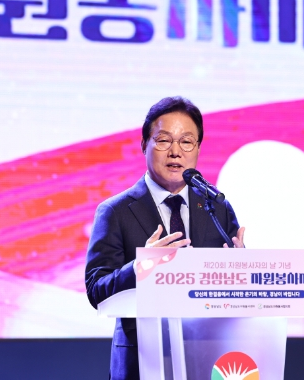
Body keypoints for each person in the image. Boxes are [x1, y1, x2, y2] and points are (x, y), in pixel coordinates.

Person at [85, 96, 245, 380]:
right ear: (144, 144)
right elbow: (96, 291)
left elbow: (237, 291)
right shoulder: (115, 211)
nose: (175, 152)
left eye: (186, 142)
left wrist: (243, 267)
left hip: (208, 359)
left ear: (198, 148)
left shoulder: (216, 207)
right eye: (163, 141)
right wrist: (140, 268)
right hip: (141, 363)